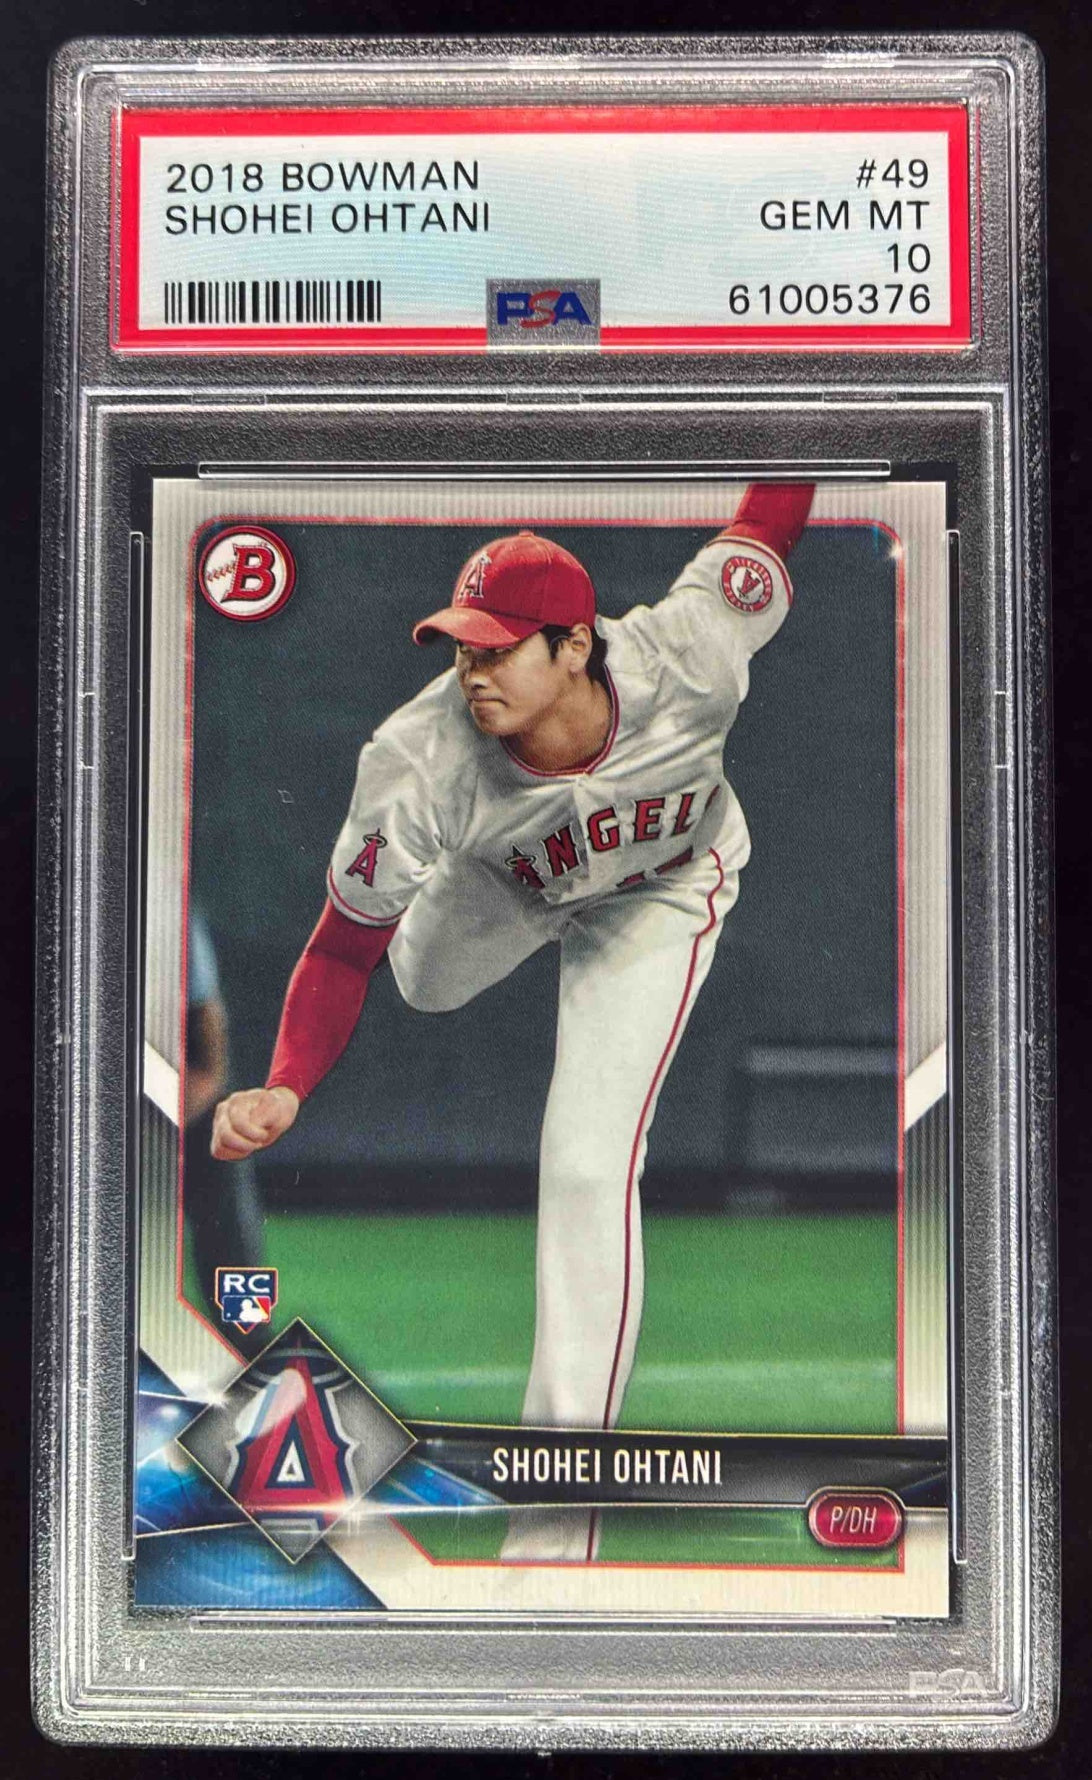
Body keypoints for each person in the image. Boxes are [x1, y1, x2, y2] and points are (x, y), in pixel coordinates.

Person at [211, 482, 814, 1561]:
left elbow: (764, 524)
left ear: (575, 645)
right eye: (460, 648)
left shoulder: (694, 648)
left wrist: (815, 402)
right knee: (421, 977)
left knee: (586, 1165)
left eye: (496, 648)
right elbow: (342, 948)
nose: (472, 671)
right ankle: (455, 893)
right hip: (504, 885)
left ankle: (554, 1536)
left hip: (661, 889)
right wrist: (288, 1080)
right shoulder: (418, 758)